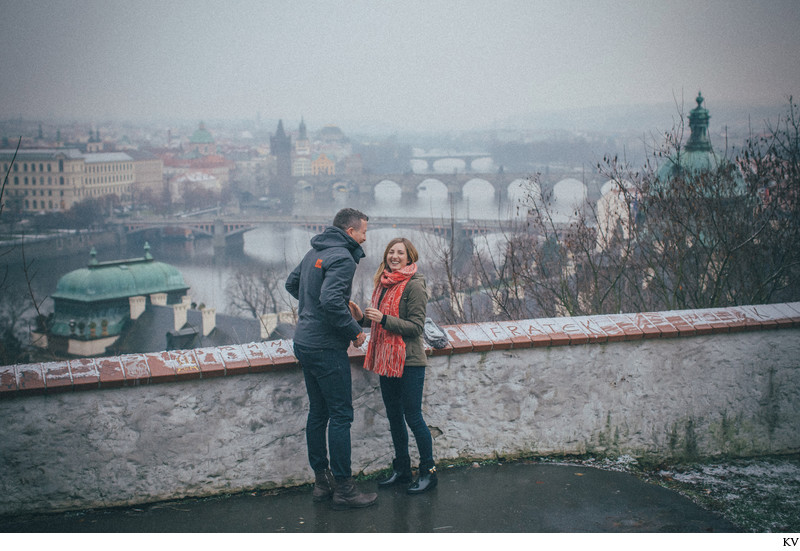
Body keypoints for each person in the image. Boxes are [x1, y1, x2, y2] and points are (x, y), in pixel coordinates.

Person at [285, 208, 377, 509]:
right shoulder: (343, 258)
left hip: (304, 342)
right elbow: (329, 300)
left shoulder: (315, 251)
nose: (365, 237)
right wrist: (353, 330)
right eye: (363, 232)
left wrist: (312, 309)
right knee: (340, 416)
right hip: (325, 346)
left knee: (318, 413)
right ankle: (345, 489)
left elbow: (292, 284)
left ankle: (322, 483)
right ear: (350, 232)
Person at [353, 237, 437, 494]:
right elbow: (379, 322)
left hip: (409, 361)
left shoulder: (414, 285)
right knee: (394, 416)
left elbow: (416, 327)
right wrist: (361, 318)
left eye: (400, 253)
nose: (395, 256)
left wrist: (384, 318)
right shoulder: (384, 283)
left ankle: (429, 471)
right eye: (391, 252)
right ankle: (402, 469)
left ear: (410, 257)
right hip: (386, 360)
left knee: (413, 417)